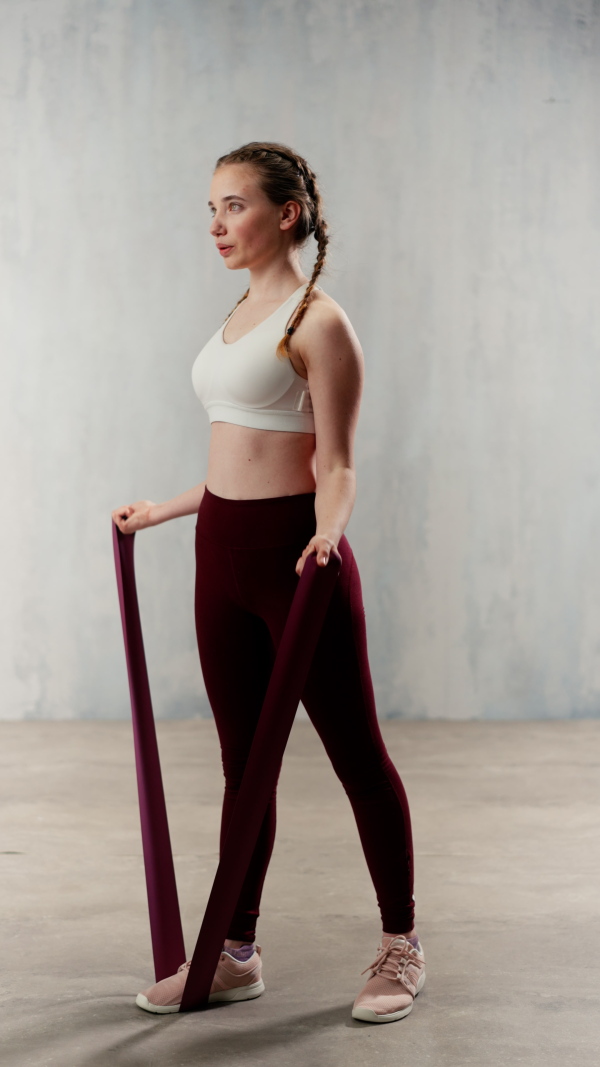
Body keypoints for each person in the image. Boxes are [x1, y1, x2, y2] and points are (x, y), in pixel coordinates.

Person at [111, 141, 425, 1024]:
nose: (216, 224)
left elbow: (336, 462)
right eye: (210, 208)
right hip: (221, 557)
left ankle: (401, 945)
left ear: (287, 213)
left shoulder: (320, 320)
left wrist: (328, 535)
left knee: (356, 752)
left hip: (298, 560)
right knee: (243, 770)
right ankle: (236, 951)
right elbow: (232, 453)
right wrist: (163, 510)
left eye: (235, 205)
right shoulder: (237, 313)